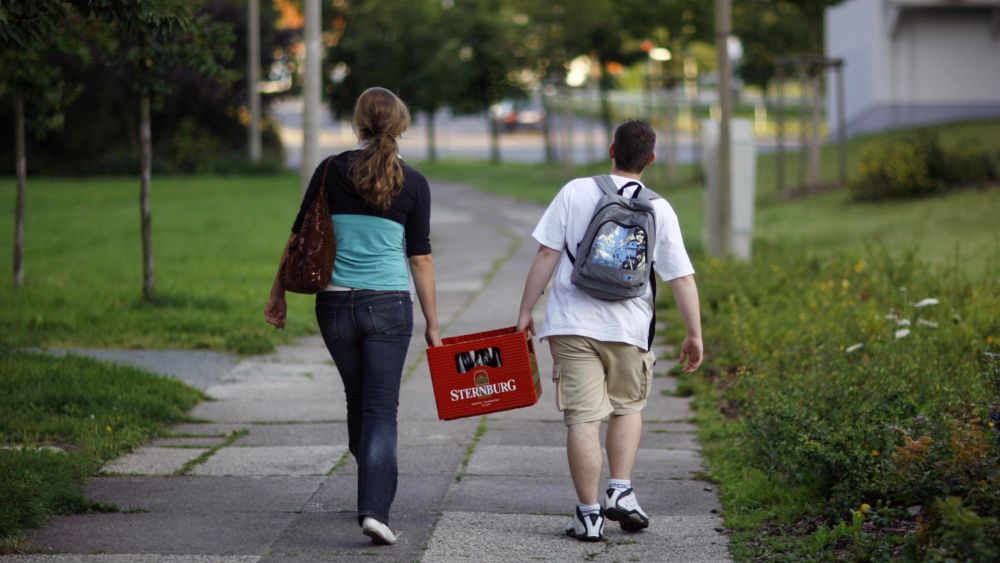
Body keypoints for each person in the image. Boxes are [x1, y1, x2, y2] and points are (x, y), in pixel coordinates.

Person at [264, 87, 442, 546]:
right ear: (400, 126)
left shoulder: (330, 170)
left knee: (358, 401)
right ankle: (375, 509)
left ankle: (373, 494)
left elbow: (299, 236)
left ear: (359, 124)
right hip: (388, 308)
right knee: (381, 409)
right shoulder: (414, 183)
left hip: (335, 306)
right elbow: (420, 259)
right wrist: (434, 325)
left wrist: (278, 292)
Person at [515, 119, 702, 542]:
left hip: (570, 323)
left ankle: (588, 515)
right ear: (650, 160)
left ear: (611, 149)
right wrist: (694, 333)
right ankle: (621, 490)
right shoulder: (660, 208)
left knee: (583, 418)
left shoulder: (575, 190)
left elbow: (546, 252)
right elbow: (682, 279)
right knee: (627, 407)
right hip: (629, 326)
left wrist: (526, 310)